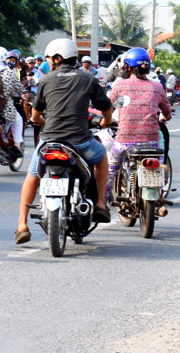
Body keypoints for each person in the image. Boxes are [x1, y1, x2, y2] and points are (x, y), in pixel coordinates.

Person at [17, 38, 113, 244]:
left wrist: (40, 120)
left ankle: (22, 224)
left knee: (33, 175)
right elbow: (106, 106)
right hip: (80, 142)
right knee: (102, 155)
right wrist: (107, 121)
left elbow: (35, 116)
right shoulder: (88, 78)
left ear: (58, 58)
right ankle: (101, 204)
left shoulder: (45, 80)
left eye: (50, 58)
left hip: (49, 141)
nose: (49, 62)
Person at [105, 48, 173, 200]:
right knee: (158, 167)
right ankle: (159, 196)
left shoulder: (120, 85)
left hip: (124, 142)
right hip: (152, 143)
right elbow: (167, 112)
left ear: (127, 67)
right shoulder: (157, 87)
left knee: (110, 169)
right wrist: (165, 116)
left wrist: (106, 121)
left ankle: (101, 203)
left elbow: (108, 107)